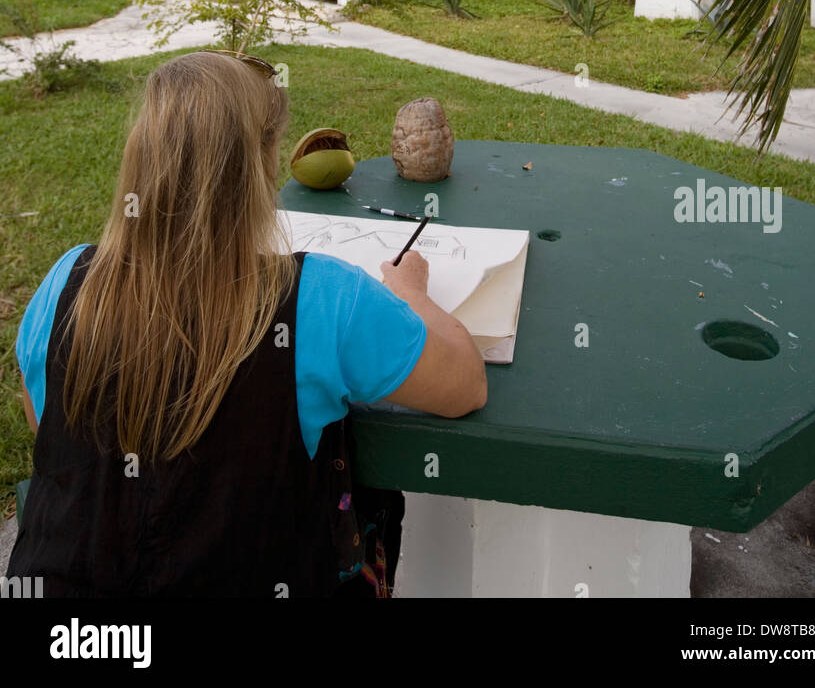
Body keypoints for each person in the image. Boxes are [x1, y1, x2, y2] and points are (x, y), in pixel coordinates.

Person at [9, 51, 486, 598]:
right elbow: (464, 385)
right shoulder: (322, 297)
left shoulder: (65, 282)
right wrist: (411, 295)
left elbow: (46, 427)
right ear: (259, 165)